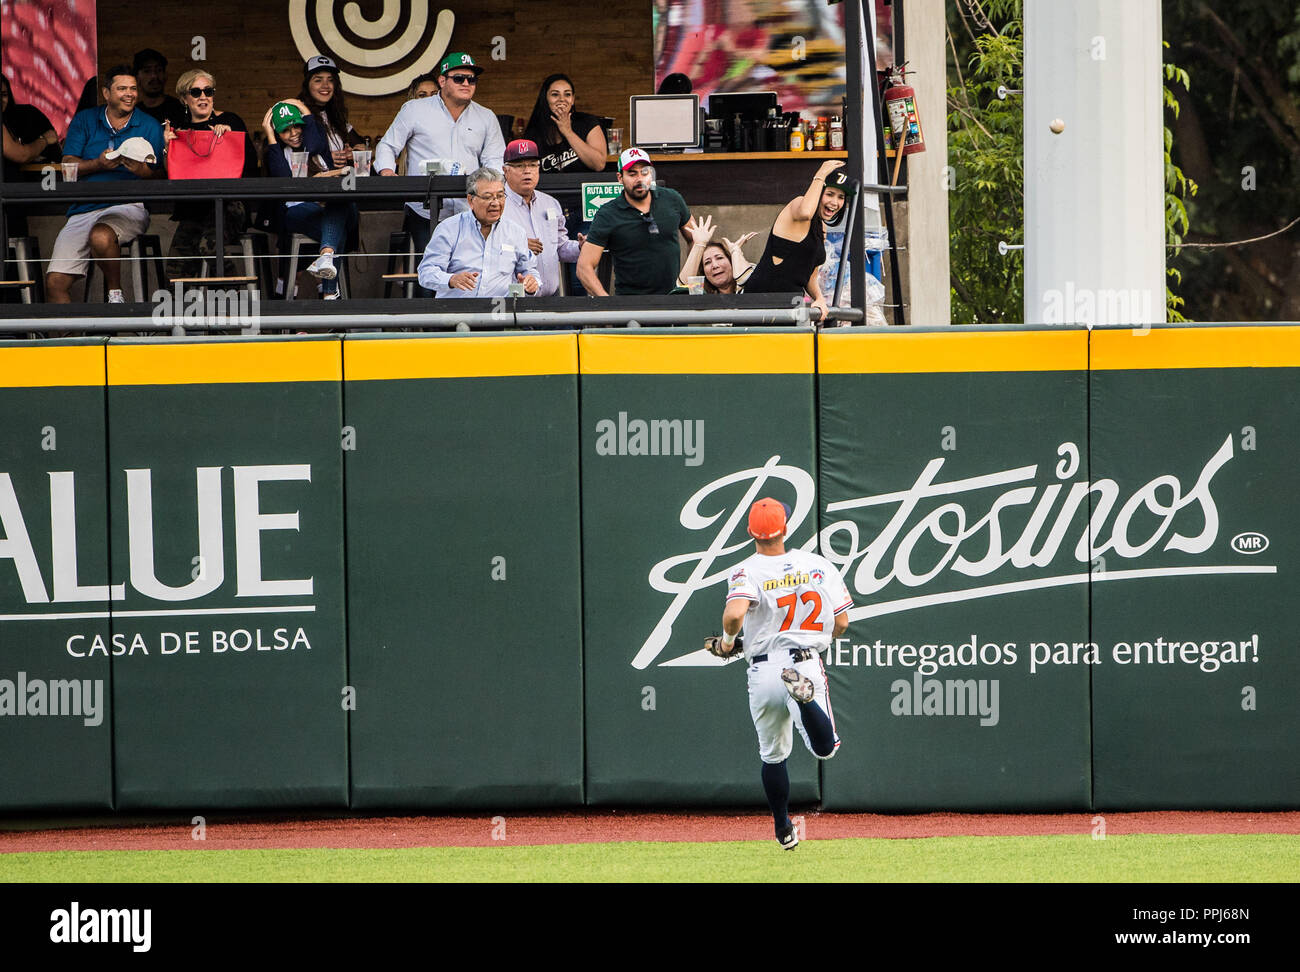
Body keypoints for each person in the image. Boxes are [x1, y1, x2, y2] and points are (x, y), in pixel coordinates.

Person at [710, 498, 852, 851]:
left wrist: (728, 643)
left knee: (773, 756)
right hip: (803, 662)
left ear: (750, 533)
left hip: (764, 668)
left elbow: (733, 616)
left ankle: (783, 827)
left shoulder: (747, 570)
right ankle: (805, 702)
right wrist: (817, 637)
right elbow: (842, 623)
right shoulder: (818, 565)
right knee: (825, 749)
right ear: (785, 527)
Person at [44, 65, 165, 304]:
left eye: (133, 88)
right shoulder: (86, 119)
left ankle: (115, 295)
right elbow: (67, 166)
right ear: (106, 93)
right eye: (122, 89)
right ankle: (74, 341)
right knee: (55, 283)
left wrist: (142, 171)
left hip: (128, 206)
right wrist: (98, 164)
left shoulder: (149, 124)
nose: (129, 94)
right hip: (83, 208)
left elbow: (162, 174)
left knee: (101, 235)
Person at [374, 52, 505, 259]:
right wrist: (388, 173)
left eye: (471, 79)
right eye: (459, 78)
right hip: (423, 209)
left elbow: (495, 161)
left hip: (469, 210)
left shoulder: (486, 116)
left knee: (470, 269)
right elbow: (387, 146)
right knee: (430, 274)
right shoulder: (414, 109)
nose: (466, 83)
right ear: (442, 81)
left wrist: (489, 193)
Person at [162, 69, 257, 278]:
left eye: (208, 91)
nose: (203, 96)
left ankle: (234, 297)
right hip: (194, 208)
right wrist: (168, 148)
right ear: (184, 99)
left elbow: (250, 165)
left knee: (209, 247)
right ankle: (188, 309)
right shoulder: (179, 131)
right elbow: (173, 175)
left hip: (228, 205)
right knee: (174, 272)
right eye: (195, 92)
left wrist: (229, 140)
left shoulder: (230, 120)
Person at [262, 101, 356, 299]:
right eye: (285, 130)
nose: (294, 133)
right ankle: (330, 290)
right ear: (277, 134)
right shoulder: (280, 153)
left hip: (328, 211)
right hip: (298, 213)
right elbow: (282, 180)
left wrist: (302, 108)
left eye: (297, 125)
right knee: (337, 230)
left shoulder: (317, 151)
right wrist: (269, 134)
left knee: (341, 203)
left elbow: (313, 143)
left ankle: (326, 257)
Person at [577, 148, 692, 296]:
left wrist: (688, 283)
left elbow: (695, 239)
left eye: (644, 172)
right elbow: (583, 267)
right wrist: (608, 304)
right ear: (620, 177)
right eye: (632, 174)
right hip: (631, 304)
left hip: (674, 298)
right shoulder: (608, 214)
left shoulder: (672, 199)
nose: (639, 179)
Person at [742, 160, 846, 322]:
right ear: (819, 191)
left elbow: (810, 275)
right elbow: (806, 212)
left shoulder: (822, 228)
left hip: (791, 303)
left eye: (841, 197)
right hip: (761, 299)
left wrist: (819, 298)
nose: (835, 203)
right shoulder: (797, 204)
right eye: (830, 194)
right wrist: (820, 175)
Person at [417, 167, 540, 299]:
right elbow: (426, 272)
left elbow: (529, 270)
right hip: (455, 313)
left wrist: (532, 283)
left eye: (500, 196)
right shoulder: (449, 228)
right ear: (471, 200)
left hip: (500, 312)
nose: (496, 203)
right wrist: (451, 279)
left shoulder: (516, 232)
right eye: (488, 197)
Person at [500, 139, 579, 297]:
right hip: (513, 301)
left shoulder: (550, 203)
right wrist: (518, 246)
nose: (527, 171)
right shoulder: (496, 204)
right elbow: (482, 250)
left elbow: (560, 248)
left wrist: (582, 248)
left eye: (532, 165)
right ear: (505, 170)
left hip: (551, 298)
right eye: (519, 166)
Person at [521, 74, 607, 173]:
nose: (562, 99)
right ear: (545, 98)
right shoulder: (535, 132)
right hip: (550, 187)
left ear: (573, 100)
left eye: (567, 94)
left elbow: (599, 165)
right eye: (555, 94)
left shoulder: (587, 122)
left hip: (582, 186)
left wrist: (568, 132)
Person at [297, 55, 369, 169]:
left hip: (338, 181)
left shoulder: (333, 112)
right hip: (310, 183)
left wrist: (353, 152)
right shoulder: (296, 111)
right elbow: (294, 154)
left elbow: (359, 143)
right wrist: (323, 159)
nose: (325, 86)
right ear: (307, 84)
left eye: (330, 80)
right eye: (318, 80)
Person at [675, 214, 755, 294]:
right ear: (704, 273)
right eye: (707, 262)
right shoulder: (700, 293)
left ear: (731, 261)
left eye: (719, 258)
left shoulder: (749, 276)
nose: (715, 265)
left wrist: (736, 252)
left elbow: (748, 278)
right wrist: (699, 244)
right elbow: (682, 289)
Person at [132, 49, 187, 129]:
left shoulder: (179, 110)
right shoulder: (133, 114)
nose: (154, 76)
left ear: (165, 76)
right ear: (137, 78)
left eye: (159, 70)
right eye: (147, 71)